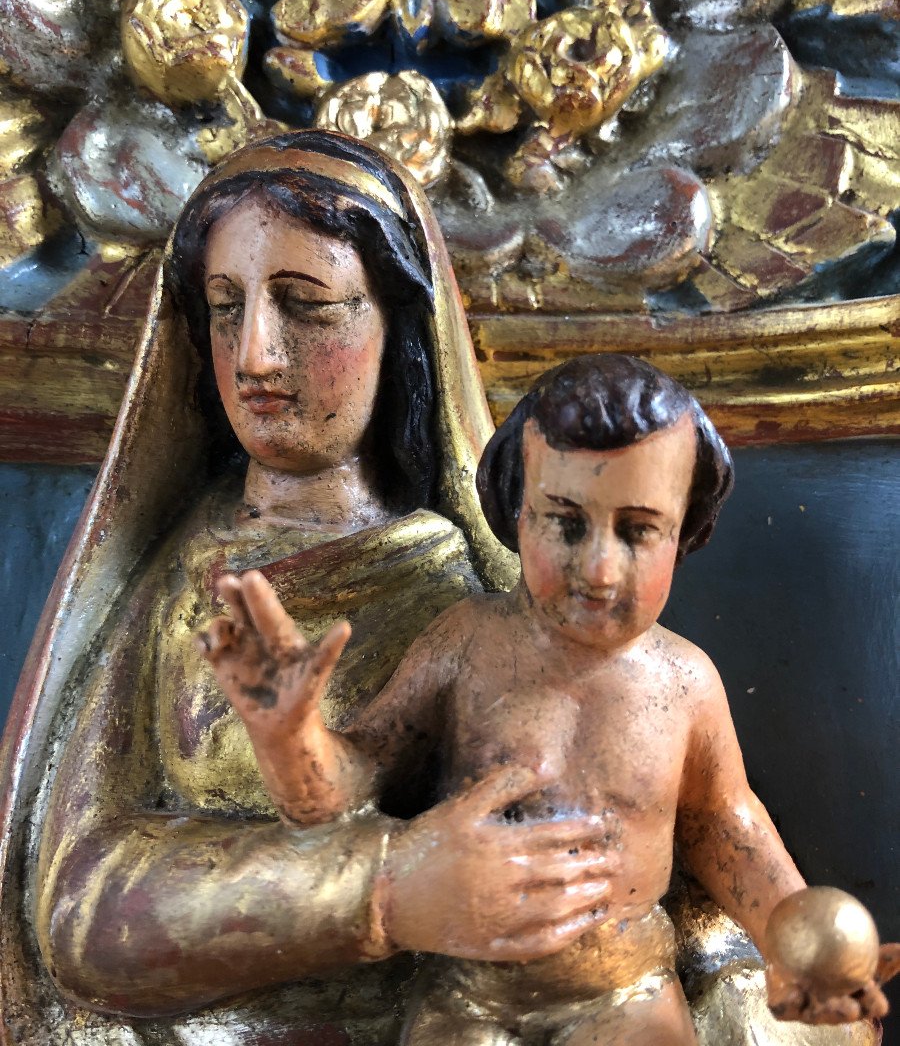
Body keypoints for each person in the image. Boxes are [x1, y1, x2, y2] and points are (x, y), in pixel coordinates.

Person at [0, 134, 877, 1046]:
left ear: (398, 325)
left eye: (307, 306)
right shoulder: (183, 593)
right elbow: (76, 910)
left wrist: (797, 953)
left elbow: (701, 840)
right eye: (225, 309)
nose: (255, 354)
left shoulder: (500, 605)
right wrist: (380, 875)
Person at [201, 354, 893, 1045]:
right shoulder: (466, 644)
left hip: (624, 992)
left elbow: (726, 827)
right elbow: (348, 796)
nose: (599, 569)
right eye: (565, 522)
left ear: (686, 531)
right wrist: (289, 734)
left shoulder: (684, 682)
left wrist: (799, 947)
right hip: (472, 1000)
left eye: (637, 529)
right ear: (515, 511)